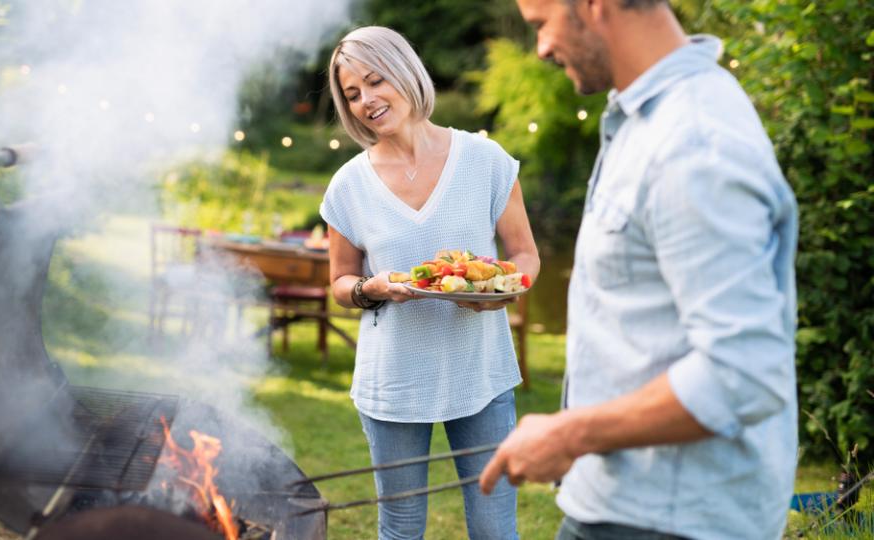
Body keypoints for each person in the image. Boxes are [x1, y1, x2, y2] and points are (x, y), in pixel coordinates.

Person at [479, 1, 799, 539]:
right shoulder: (645, 120)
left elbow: (743, 371)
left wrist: (570, 434)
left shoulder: (693, 141)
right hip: (621, 504)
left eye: (541, 24)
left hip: (668, 520)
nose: (541, 48)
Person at [320, 26, 540, 540]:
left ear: (406, 73)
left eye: (375, 82)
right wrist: (369, 288)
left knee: (494, 528)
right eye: (352, 94)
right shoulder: (349, 185)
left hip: (480, 373)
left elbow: (524, 252)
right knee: (400, 530)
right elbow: (339, 282)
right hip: (393, 381)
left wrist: (509, 289)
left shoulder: (485, 161)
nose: (366, 101)